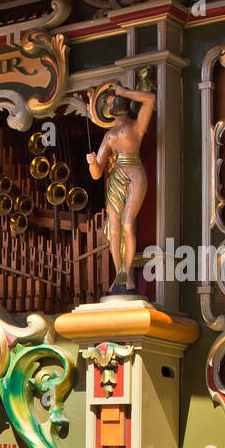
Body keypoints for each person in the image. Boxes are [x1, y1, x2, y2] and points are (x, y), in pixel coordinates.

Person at [86, 81, 156, 293]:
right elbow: (97, 173)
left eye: (113, 100)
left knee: (127, 223)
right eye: (108, 102)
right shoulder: (109, 135)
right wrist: (91, 163)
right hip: (115, 175)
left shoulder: (136, 125)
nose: (110, 104)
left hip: (134, 170)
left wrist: (125, 91)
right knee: (113, 229)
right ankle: (119, 274)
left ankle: (129, 274)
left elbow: (150, 99)